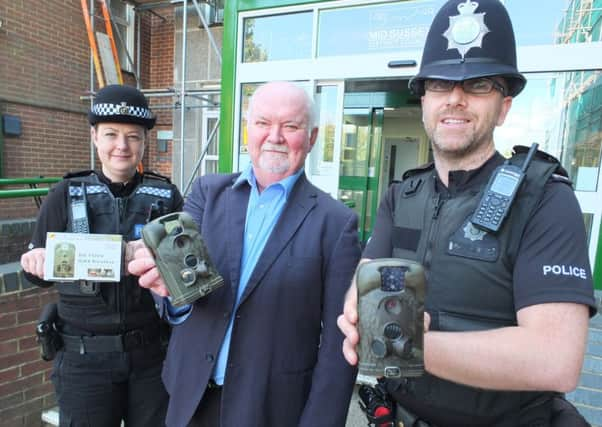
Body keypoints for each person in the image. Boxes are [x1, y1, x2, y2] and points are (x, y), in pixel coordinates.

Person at [337, 1, 597, 426]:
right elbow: (363, 285)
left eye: (478, 85)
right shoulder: (403, 194)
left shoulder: (545, 199)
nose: (455, 98)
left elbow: (555, 358)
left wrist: (410, 344)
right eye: (439, 84)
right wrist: (357, 318)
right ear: (423, 100)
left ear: (504, 106)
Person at [128, 81, 361, 427]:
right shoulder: (209, 193)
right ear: (248, 130)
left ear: (311, 138)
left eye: (291, 126)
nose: (275, 136)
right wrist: (170, 290)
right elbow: (180, 292)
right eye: (263, 123)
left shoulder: (336, 223)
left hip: (269, 408)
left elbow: (339, 345)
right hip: (191, 395)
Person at [20, 84, 183, 427]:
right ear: (95, 137)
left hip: (152, 358)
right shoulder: (65, 194)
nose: (121, 146)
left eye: (133, 136)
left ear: (144, 142)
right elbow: (36, 275)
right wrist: (34, 263)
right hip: (84, 361)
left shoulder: (167, 197)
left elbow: (183, 272)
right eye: (111, 134)